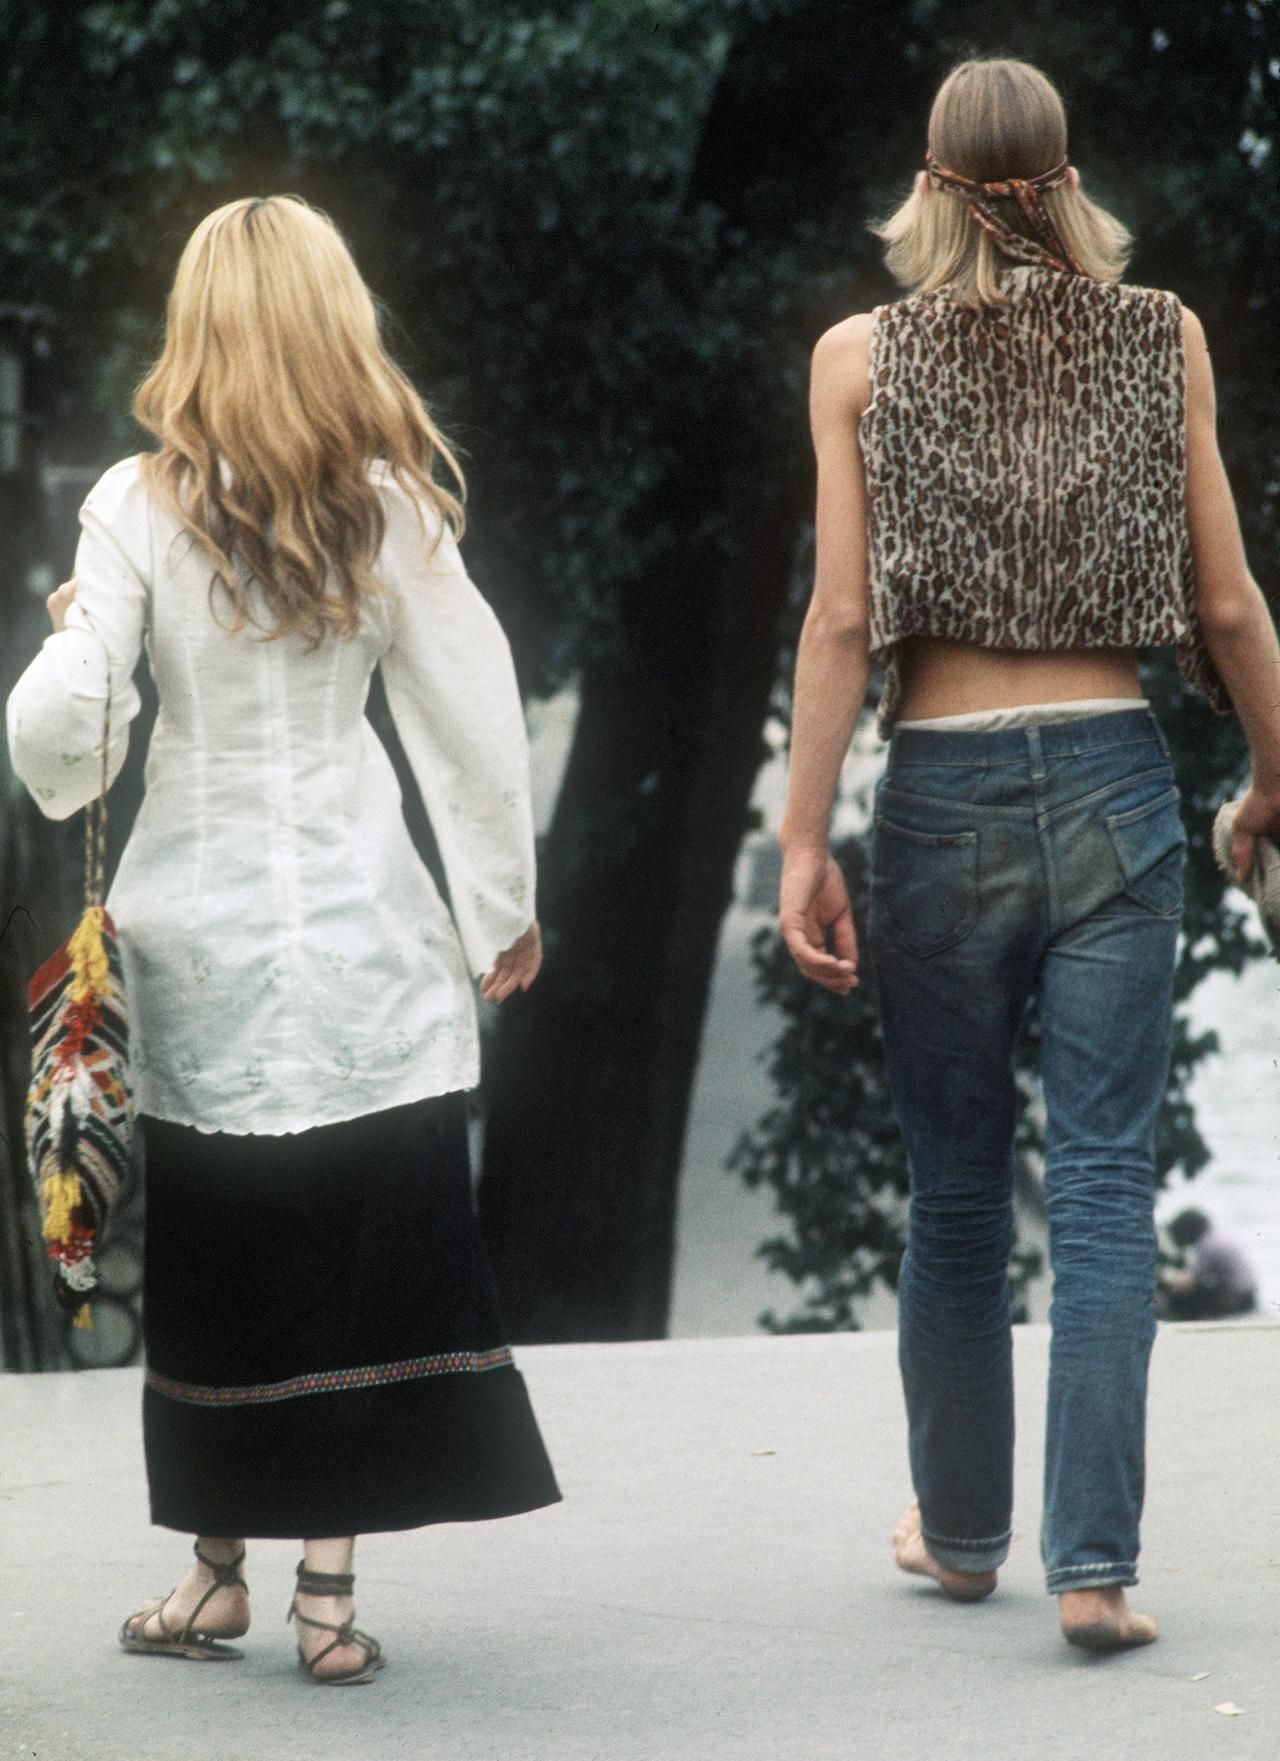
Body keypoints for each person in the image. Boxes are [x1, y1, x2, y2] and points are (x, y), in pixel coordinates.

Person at [6, 195, 561, 1685]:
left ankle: (213, 1581)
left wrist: (67, 637)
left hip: (201, 943)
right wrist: (500, 906)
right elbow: (472, 718)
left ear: (197, 329)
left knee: (222, 1265)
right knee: (358, 1259)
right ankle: (326, 1599)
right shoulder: (389, 503)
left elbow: (69, 723)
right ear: (336, 320)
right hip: (367, 930)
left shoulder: (133, 505)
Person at [776, 57, 1280, 1653]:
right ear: (1069, 184)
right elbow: (1227, 604)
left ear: (927, 189)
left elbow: (845, 619)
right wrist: (1275, 779)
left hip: (937, 795)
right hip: (1123, 778)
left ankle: (969, 1532)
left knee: (957, 1193)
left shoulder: (855, 358)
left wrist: (800, 838)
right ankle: (1096, 1570)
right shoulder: (1166, 337)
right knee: (1113, 1182)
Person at [1163, 1208, 1259, 1319]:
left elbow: (1192, 1280)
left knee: (1180, 1298)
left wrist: (1167, 1280)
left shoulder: (1206, 1246)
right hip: (1249, 1293)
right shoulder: (1215, 1237)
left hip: (1237, 1298)